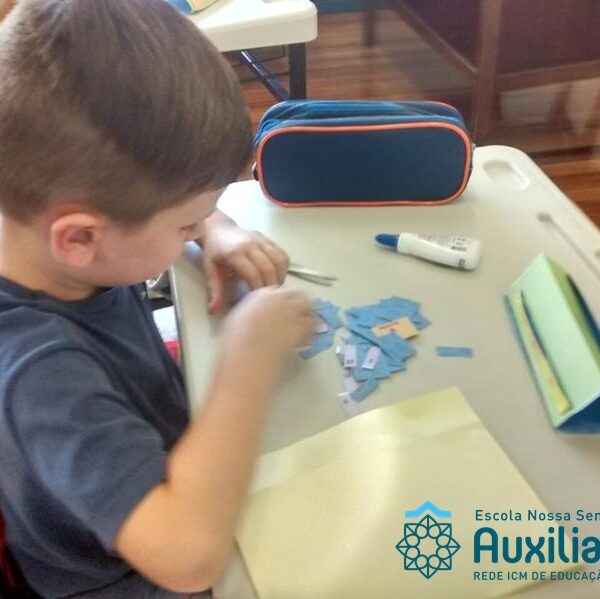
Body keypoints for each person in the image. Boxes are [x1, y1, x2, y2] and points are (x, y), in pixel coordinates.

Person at [0, 0, 314, 596]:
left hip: (154, 449)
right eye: (184, 223)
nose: (194, 228)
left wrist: (214, 227)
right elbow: (186, 558)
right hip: (120, 576)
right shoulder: (40, 375)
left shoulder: (44, 230)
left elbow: (133, 199)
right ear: (80, 239)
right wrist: (247, 357)